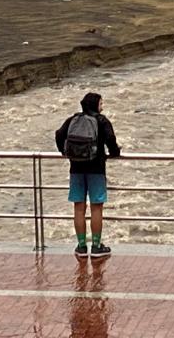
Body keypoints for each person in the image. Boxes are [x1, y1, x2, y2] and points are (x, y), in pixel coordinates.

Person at [55, 92, 120, 258]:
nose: (102, 106)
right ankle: (97, 246)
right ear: (96, 105)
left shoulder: (73, 120)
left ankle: (82, 246)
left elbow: (59, 134)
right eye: (101, 103)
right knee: (96, 207)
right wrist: (114, 153)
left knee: (79, 207)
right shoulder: (102, 120)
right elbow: (111, 139)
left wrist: (64, 151)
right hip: (96, 169)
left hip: (76, 168)